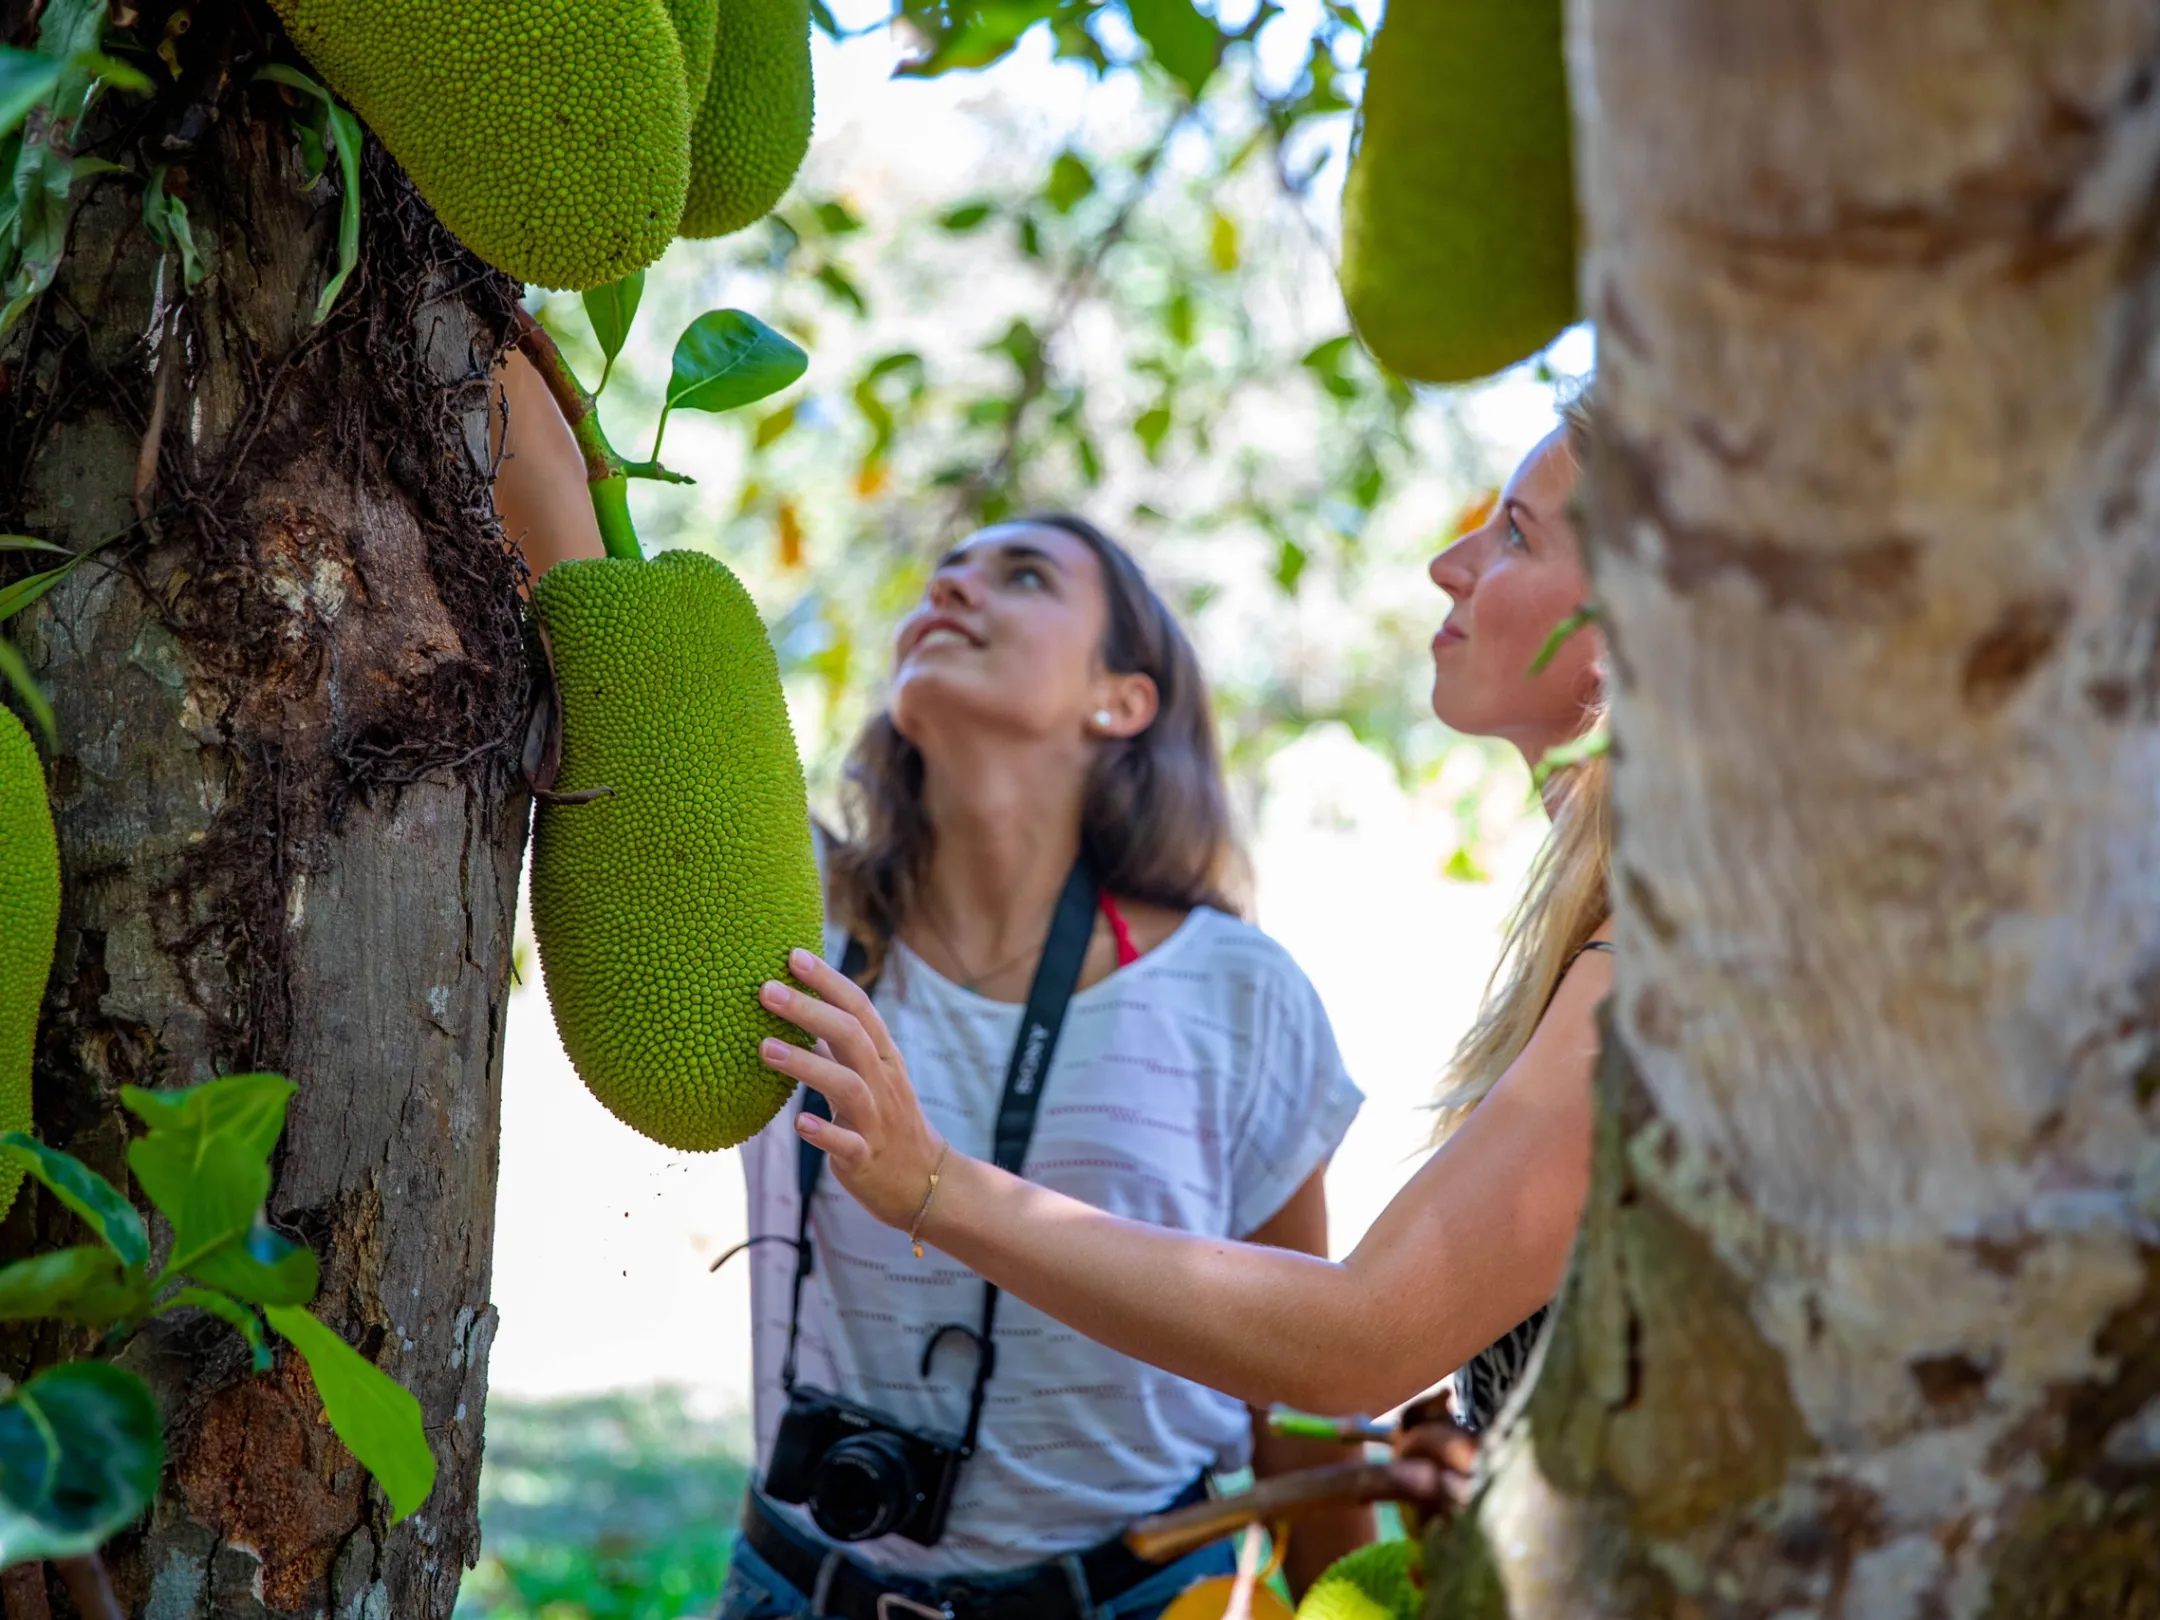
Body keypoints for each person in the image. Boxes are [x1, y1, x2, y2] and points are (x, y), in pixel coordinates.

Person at [484, 383, 1375, 1614]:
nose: (949, 588)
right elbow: (566, 547)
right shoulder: (789, 917)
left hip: (1138, 1600)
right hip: (797, 1587)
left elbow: (1306, 1388)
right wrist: (496, 307)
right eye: (942, 574)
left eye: (1020, 578)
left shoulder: (1235, 993)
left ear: (1122, 699)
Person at [751, 403, 1611, 1444]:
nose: (1446, 563)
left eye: (1515, 532)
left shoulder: (1659, 972)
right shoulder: (787, 900)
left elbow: (1350, 1340)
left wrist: (933, 1185)